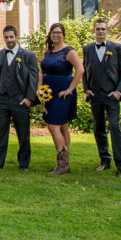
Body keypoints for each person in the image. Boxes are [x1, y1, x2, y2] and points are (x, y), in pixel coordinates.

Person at [81, 19, 121, 178]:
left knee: (114, 128)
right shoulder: (87, 49)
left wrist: (118, 92)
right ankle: (104, 160)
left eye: (103, 29)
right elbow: (84, 72)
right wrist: (86, 89)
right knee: (99, 128)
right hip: (96, 95)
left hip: (112, 96)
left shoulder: (116, 48)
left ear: (107, 31)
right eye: (98, 29)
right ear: (94, 31)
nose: (100, 32)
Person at [0, 25, 38, 171]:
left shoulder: (28, 55)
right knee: (0, 133)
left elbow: (34, 78)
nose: (9, 40)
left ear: (17, 37)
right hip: (2, 99)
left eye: (11, 37)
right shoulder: (0, 54)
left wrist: (29, 98)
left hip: (20, 99)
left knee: (23, 133)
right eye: (6, 37)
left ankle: (24, 164)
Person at [42, 22, 85, 175]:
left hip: (63, 92)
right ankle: (64, 162)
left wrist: (70, 89)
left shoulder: (69, 51)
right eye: (53, 32)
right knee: (62, 126)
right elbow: (42, 72)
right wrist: (41, 91)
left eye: (59, 32)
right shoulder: (48, 51)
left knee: (53, 126)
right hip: (49, 92)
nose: (56, 35)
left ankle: (62, 162)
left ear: (63, 34)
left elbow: (80, 70)